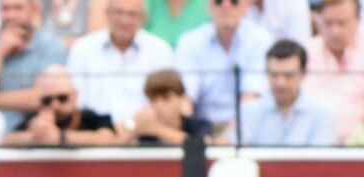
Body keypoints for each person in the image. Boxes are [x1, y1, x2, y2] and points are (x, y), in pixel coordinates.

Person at [301, 0, 364, 143]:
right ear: (317, 20)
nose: (335, 31)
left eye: (342, 23)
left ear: (358, 20)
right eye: (328, 23)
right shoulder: (304, 52)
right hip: (311, 146)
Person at [173, 0, 272, 134]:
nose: (226, 7)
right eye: (218, 2)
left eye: (234, 2)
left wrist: (228, 138)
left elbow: (252, 97)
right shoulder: (190, 41)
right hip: (201, 127)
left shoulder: (261, 40)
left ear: (246, 6)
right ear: (209, 6)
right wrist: (189, 131)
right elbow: (185, 97)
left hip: (249, 128)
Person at [66, 0, 174, 122]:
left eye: (132, 14)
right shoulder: (83, 48)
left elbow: (165, 101)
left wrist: (130, 126)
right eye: (119, 13)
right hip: (92, 126)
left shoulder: (160, 50)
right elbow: (75, 99)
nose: (124, 21)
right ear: (107, 13)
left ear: (143, 18)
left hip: (145, 127)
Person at [0, 0, 69, 131]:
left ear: (33, 10)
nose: (11, 15)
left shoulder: (51, 46)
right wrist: (0, 50)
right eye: (5, 9)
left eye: (18, 8)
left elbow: (45, 97)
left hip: (32, 131)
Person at [237, 39, 337, 145]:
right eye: (274, 75)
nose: (281, 83)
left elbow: (321, 155)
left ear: (303, 74)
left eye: (289, 75)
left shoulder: (322, 114)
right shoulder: (248, 112)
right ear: (266, 73)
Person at [1, 63, 118, 145]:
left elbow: (109, 137)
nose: (54, 105)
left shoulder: (88, 117)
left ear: (74, 95)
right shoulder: (34, 120)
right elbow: (6, 139)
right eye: (47, 100)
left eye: (62, 98)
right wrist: (34, 136)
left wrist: (61, 137)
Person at [123, 67, 210, 144]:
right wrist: (133, 127)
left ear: (181, 97)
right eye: (153, 99)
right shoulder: (144, 131)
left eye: (166, 98)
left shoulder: (198, 125)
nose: (159, 105)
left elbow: (202, 145)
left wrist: (157, 129)